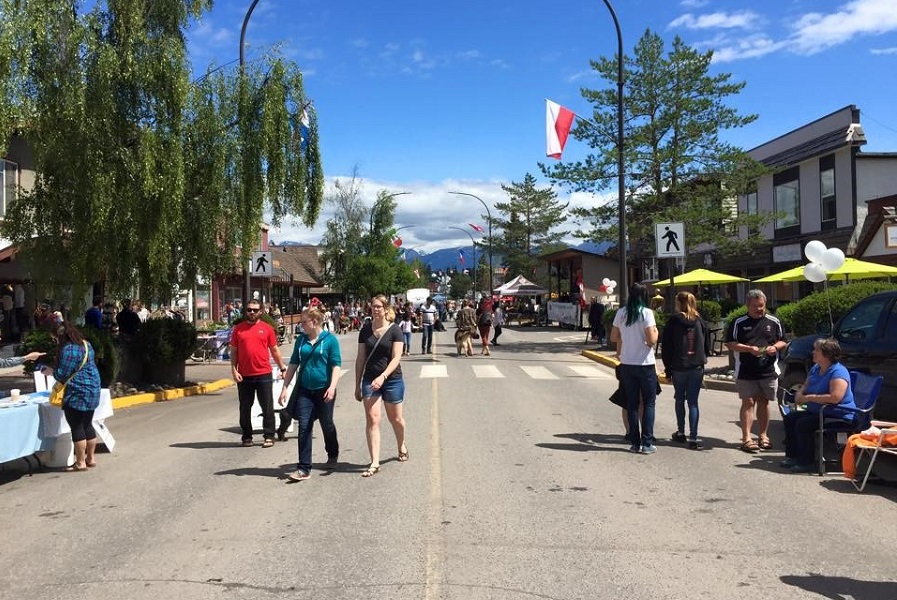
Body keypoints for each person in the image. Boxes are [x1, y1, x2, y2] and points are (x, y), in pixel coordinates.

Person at [277, 308, 341, 482]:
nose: (301, 325)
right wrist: (284, 387)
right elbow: (293, 364)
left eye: (304, 322)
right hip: (305, 390)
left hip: (324, 389)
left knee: (327, 424)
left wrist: (332, 387)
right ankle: (304, 468)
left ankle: (332, 453)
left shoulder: (330, 341)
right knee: (304, 426)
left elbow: (336, 365)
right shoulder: (301, 340)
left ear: (314, 322)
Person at [726, 289, 787, 453]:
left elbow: (783, 341)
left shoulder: (774, 321)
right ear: (748, 305)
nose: (759, 309)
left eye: (761, 306)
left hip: (768, 370)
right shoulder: (738, 322)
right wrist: (748, 349)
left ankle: (763, 435)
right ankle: (746, 438)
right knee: (748, 402)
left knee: (764, 401)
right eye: (755, 306)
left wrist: (775, 347)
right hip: (745, 370)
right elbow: (730, 344)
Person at [782, 338, 856, 473]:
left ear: (827, 355)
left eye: (816, 350)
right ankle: (794, 457)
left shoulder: (838, 372)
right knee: (791, 418)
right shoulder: (816, 368)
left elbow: (835, 397)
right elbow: (806, 385)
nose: (813, 352)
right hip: (819, 411)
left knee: (803, 424)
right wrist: (800, 393)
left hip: (837, 414)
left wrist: (809, 398)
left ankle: (806, 462)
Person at [355, 294, 407, 477]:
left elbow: (396, 357)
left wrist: (383, 376)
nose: (375, 309)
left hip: (392, 379)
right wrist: (357, 384)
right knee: (373, 418)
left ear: (386, 309)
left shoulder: (395, 330)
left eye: (378, 306)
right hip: (370, 379)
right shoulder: (365, 330)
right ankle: (375, 462)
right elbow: (360, 358)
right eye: (373, 306)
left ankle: (401, 444)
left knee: (396, 419)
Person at [40, 322, 101, 471]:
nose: (55, 341)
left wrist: (50, 372)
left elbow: (62, 373)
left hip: (77, 391)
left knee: (77, 425)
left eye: (55, 338)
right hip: (93, 388)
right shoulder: (87, 344)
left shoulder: (68, 349)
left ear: (60, 335)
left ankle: (80, 463)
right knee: (87, 423)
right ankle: (90, 458)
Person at [230, 299, 288, 448]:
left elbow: (274, 350)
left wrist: (282, 368)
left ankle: (269, 435)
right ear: (246, 311)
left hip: (263, 373)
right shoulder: (238, 329)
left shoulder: (267, 329)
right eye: (249, 309)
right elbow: (234, 352)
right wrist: (234, 369)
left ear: (261, 312)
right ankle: (247, 436)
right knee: (245, 407)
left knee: (267, 406)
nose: (252, 312)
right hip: (244, 375)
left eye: (255, 310)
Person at [610, 282, 659, 454]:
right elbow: (652, 340)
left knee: (631, 404)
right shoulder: (646, 313)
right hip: (645, 364)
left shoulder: (621, 313)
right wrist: (656, 332)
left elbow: (614, 336)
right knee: (648, 403)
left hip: (627, 363)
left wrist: (626, 339)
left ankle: (634, 442)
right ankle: (647, 442)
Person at [661, 292, 711, 450]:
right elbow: (707, 344)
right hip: (696, 366)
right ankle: (694, 437)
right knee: (693, 402)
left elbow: (667, 345)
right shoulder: (700, 321)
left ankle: (681, 432)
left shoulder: (674, 321)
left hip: (678, 366)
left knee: (679, 399)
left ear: (678, 303)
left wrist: (667, 367)